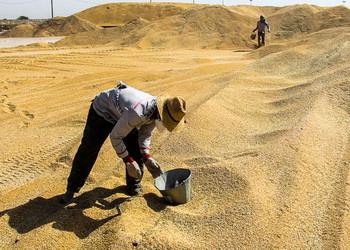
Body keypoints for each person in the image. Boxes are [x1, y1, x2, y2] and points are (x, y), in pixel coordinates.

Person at [60, 81, 186, 204]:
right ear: (163, 115)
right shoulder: (139, 112)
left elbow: (144, 135)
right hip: (102, 111)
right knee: (89, 149)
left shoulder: (156, 113)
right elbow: (115, 136)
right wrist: (127, 160)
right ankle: (71, 189)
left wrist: (147, 156)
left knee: (135, 148)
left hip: (123, 115)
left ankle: (133, 185)